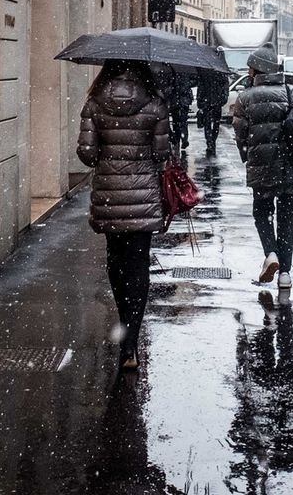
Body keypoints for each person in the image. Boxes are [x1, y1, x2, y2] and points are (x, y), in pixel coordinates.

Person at [77, 60, 173, 371]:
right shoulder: (155, 103)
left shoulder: (95, 103)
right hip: (143, 196)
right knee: (139, 264)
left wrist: (107, 149)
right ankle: (131, 339)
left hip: (109, 194)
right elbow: (161, 154)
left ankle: (124, 326)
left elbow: (87, 154)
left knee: (116, 261)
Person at [232, 44, 293, 292]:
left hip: (262, 168)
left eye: (250, 67)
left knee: (262, 213)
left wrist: (248, 155)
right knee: (287, 220)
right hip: (291, 167)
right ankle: (285, 274)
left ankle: (271, 254)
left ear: (257, 69)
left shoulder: (245, 98)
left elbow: (240, 133)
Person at [196, 68, 231, 156]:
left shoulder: (208, 71)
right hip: (212, 101)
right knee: (212, 123)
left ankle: (210, 142)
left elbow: (201, 87)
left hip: (212, 101)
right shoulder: (218, 71)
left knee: (211, 124)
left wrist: (200, 100)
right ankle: (211, 142)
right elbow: (201, 86)